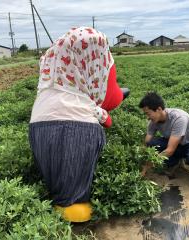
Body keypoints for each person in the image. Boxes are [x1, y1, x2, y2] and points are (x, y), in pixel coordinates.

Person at [29, 27, 128, 222]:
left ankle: (55, 201)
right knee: (75, 195)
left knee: (54, 168)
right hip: (77, 125)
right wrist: (107, 117)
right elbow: (109, 95)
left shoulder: (53, 78)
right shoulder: (96, 63)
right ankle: (74, 209)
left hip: (37, 124)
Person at [139, 92, 189, 182]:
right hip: (177, 144)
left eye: (148, 113)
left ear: (159, 109)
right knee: (152, 143)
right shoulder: (154, 121)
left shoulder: (178, 118)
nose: (147, 117)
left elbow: (169, 150)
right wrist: (141, 158)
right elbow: (147, 142)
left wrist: (149, 164)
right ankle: (176, 162)